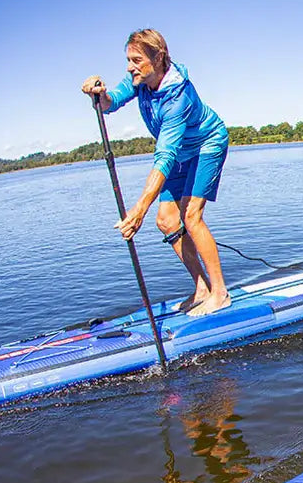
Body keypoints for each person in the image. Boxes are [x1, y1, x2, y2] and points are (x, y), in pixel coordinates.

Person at [82, 29, 231, 316]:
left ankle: (220, 292)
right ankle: (201, 288)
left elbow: (164, 157)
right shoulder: (140, 81)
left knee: (191, 215)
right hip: (180, 152)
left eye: (137, 60)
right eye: (128, 60)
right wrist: (98, 94)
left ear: (158, 57)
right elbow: (111, 102)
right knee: (165, 220)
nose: (129, 67)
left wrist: (138, 210)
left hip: (206, 145)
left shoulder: (178, 97)